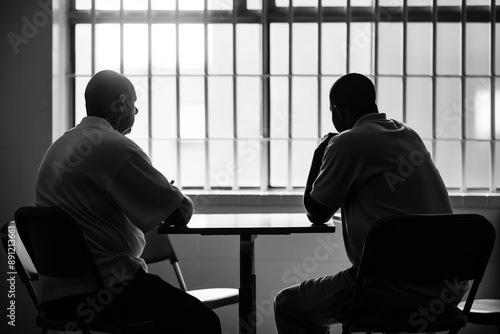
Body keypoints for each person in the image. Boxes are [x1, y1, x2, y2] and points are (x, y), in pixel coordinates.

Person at [274, 73, 467, 334]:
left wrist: (320, 152)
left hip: (388, 290)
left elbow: (316, 212)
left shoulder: (347, 142)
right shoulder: (408, 134)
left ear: (337, 112)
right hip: (447, 291)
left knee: (287, 304)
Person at [35, 70, 222, 333]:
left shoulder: (59, 146)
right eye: (134, 103)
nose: (137, 110)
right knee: (203, 320)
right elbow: (180, 213)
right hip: (104, 292)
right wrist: (171, 192)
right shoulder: (115, 147)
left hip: (54, 297)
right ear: (121, 104)